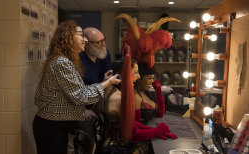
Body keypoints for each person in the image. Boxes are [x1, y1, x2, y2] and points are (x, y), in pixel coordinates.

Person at [32, 20, 121, 154]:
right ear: (68, 37)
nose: (85, 40)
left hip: (57, 125)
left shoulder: (66, 61)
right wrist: (107, 83)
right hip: (50, 127)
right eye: (81, 35)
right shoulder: (62, 62)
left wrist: (104, 82)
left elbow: (75, 94)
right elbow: (81, 96)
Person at [96, 50, 177, 154]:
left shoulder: (113, 90)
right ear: (122, 75)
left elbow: (131, 123)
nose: (138, 76)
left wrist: (153, 130)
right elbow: (133, 134)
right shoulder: (119, 98)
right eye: (135, 73)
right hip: (116, 148)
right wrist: (158, 131)